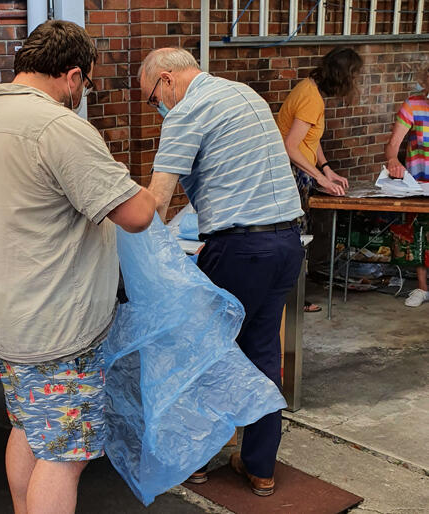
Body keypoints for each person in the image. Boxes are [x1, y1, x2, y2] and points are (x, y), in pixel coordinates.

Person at [0, 20, 156, 513]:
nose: (83, 93)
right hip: (58, 326)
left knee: (28, 427)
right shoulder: (59, 128)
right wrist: (161, 178)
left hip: (7, 319)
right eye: (86, 84)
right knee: (65, 453)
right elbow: (136, 214)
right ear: (72, 75)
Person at [140, 47, 305, 497]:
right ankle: (260, 466)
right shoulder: (245, 94)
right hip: (288, 242)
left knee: (204, 350)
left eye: (152, 96)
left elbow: (155, 202)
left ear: (168, 79)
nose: (156, 108)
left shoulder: (185, 111)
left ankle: (194, 461)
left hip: (241, 249)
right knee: (262, 352)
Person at [277, 47, 362, 313]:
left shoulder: (310, 88)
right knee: (296, 237)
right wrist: (319, 179)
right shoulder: (311, 98)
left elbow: (310, 139)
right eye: (354, 76)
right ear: (343, 77)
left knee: (298, 235)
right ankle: (293, 299)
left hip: (302, 171)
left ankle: (294, 295)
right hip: (291, 174)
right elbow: (291, 146)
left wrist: (326, 168)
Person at [384, 63, 429, 307]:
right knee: (419, 233)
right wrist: (393, 159)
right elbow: (393, 143)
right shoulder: (413, 104)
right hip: (419, 183)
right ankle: (422, 288)